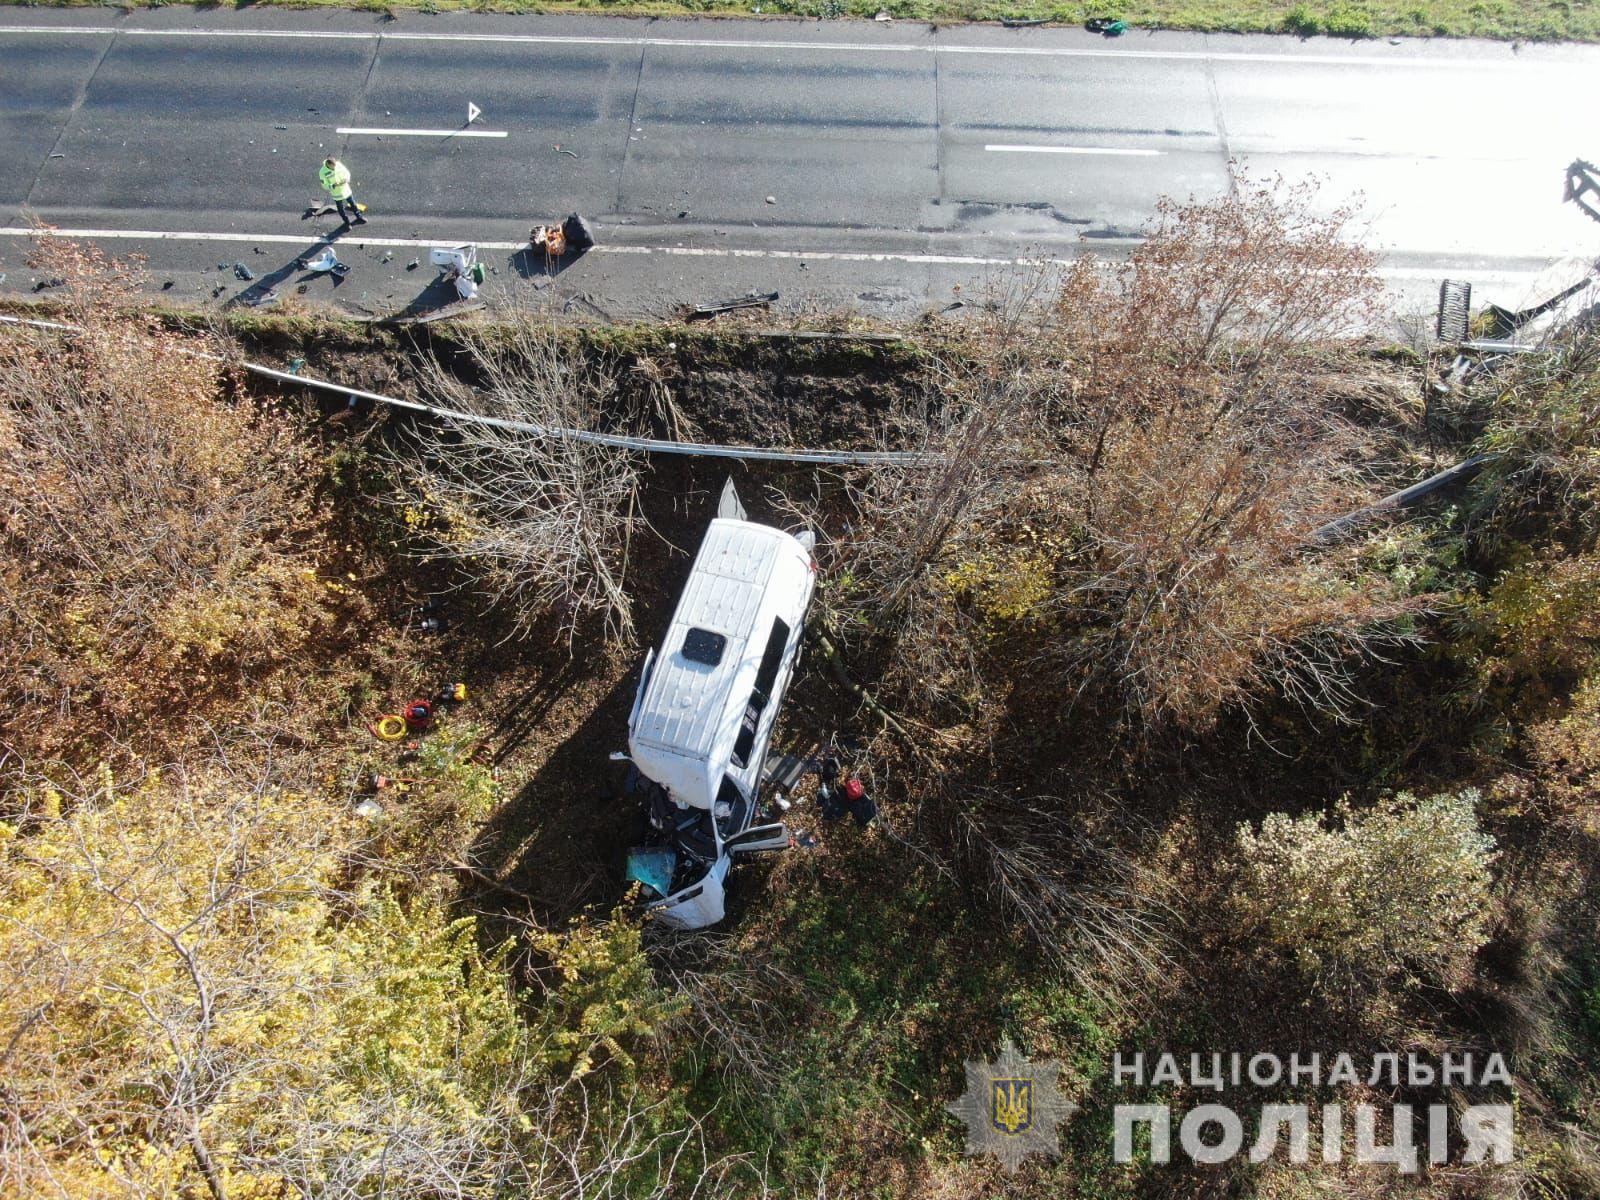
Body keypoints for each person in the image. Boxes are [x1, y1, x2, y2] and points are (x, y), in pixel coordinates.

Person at [318, 157, 367, 227]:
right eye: (333, 167)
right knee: (340, 208)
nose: (334, 168)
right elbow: (324, 185)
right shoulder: (322, 172)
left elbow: (347, 173)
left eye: (335, 166)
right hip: (336, 193)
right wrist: (332, 185)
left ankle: (359, 216)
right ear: (328, 164)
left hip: (345, 190)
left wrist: (346, 179)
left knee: (353, 204)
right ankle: (346, 221)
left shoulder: (338, 165)